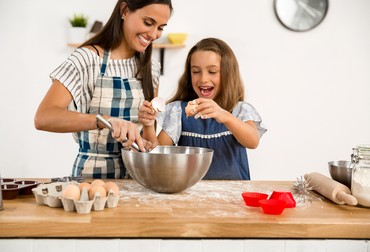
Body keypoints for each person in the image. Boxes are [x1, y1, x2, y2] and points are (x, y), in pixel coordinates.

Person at [34, 0, 173, 179]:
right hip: (93, 180)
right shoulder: (87, 59)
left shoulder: (151, 68)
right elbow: (44, 117)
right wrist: (106, 121)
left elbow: (150, 143)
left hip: (138, 180)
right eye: (148, 22)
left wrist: (147, 126)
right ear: (124, 10)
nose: (154, 34)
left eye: (161, 28)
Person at [139, 38, 267, 180]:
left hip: (232, 197)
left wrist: (224, 115)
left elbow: (252, 141)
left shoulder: (239, 110)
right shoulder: (179, 112)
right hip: (192, 195)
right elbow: (156, 155)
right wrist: (148, 125)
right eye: (196, 71)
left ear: (228, 74)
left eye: (212, 71)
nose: (203, 79)